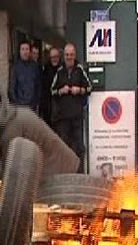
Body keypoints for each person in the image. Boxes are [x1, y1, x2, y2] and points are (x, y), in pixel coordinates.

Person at [51, 43, 92, 172]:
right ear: (64, 56)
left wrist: (79, 90)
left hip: (77, 115)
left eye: (71, 55)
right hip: (63, 116)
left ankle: (80, 172)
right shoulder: (59, 71)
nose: (69, 57)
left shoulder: (80, 70)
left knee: (79, 146)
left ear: (75, 55)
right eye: (67, 55)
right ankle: (66, 173)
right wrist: (61, 91)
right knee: (64, 146)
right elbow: (51, 91)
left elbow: (90, 87)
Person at [8, 40, 41, 112]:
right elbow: (12, 89)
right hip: (19, 107)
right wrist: (17, 104)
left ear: (30, 51)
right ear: (19, 51)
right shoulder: (15, 67)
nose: (25, 52)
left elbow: (38, 86)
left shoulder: (35, 67)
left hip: (32, 107)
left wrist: (36, 102)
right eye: (23, 49)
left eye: (27, 49)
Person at [40, 47, 61, 128]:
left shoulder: (63, 70)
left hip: (61, 109)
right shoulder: (45, 70)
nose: (54, 59)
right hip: (48, 108)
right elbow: (43, 89)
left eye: (56, 57)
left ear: (59, 57)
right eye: (52, 57)